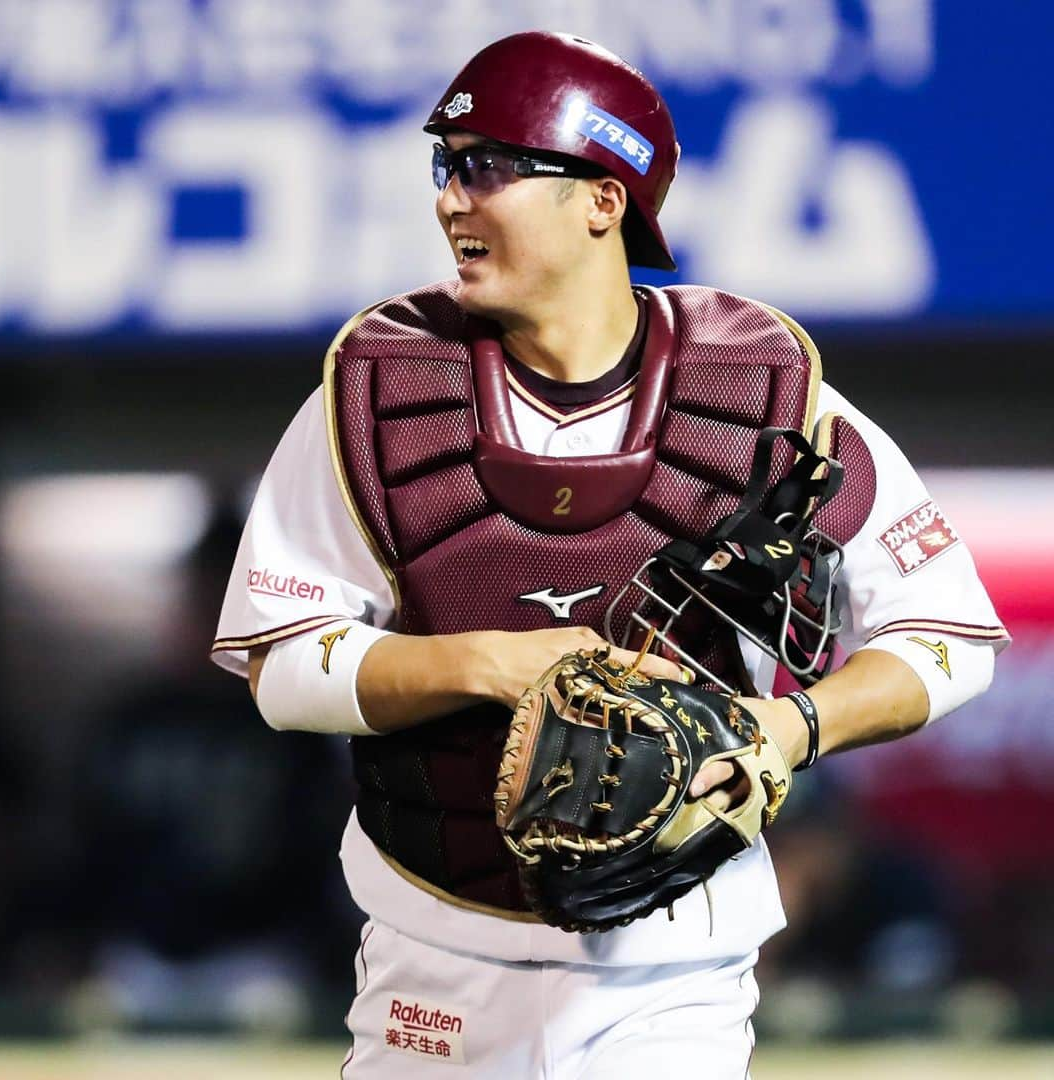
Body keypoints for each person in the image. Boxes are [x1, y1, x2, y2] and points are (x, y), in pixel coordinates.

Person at [212, 32, 1008, 1077]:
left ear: (603, 196)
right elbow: (281, 669)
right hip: (431, 947)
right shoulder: (376, 394)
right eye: (445, 169)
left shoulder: (762, 400)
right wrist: (484, 663)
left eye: (490, 166)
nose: (454, 200)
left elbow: (948, 637)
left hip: (672, 964)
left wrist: (788, 728)